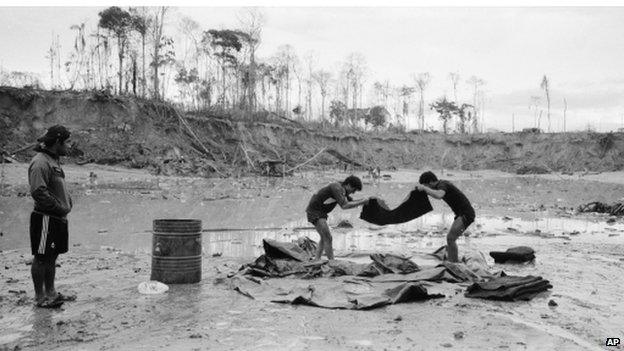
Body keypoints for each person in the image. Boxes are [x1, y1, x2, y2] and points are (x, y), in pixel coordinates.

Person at [28, 125, 75, 308]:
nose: (69, 146)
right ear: (57, 142)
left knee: (52, 255)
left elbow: (57, 188)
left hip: (57, 218)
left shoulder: (53, 160)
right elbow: (38, 191)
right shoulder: (40, 162)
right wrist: (58, 207)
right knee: (42, 257)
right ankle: (40, 298)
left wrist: (67, 203)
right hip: (45, 218)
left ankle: (51, 293)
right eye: (67, 142)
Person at [416, 171, 475, 262]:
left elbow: (439, 195)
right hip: (461, 214)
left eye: (426, 186)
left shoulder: (442, 184)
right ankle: (453, 261)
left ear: (431, 182)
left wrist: (424, 188)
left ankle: (454, 264)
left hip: (466, 213)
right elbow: (435, 193)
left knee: (450, 238)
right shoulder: (441, 184)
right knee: (451, 239)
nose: (426, 189)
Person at [306, 175, 369, 260]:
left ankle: (317, 259)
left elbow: (351, 202)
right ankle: (332, 262)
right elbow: (344, 205)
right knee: (328, 238)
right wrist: (362, 201)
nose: (353, 192)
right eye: (353, 190)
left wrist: (364, 201)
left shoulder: (342, 190)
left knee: (324, 237)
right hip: (315, 212)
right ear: (348, 185)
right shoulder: (337, 188)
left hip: (320, 212)